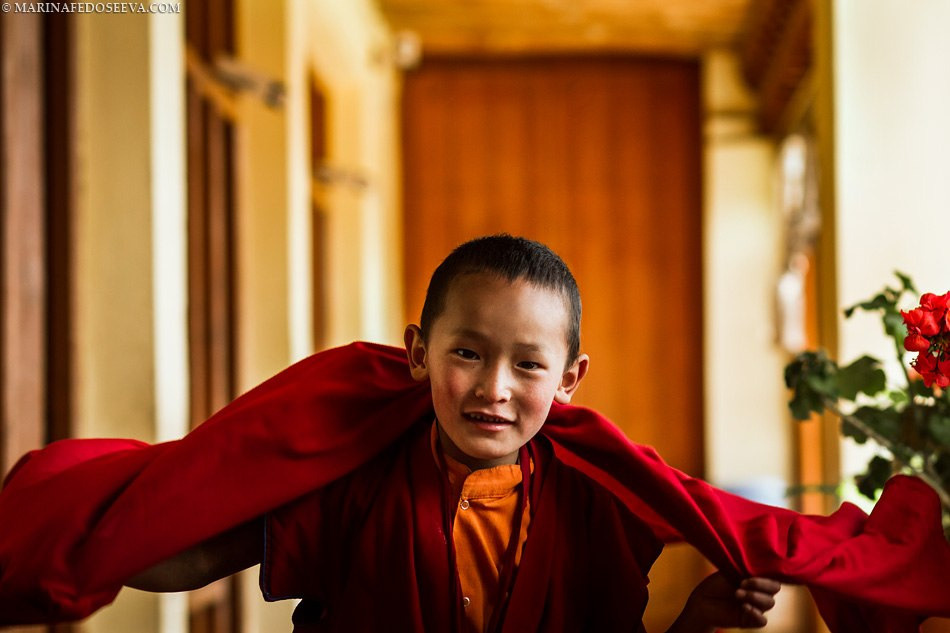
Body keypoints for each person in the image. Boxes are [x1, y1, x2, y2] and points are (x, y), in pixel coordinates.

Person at [124, 235, 780, 632]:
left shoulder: (593, 502)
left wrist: (698, 619)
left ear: (569, 379)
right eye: (467, 353)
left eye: (528, 364)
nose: (494, 387)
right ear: (418, 352)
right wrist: (95, 542)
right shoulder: (355, 475)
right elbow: (203, 555)